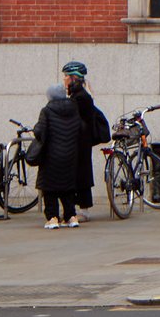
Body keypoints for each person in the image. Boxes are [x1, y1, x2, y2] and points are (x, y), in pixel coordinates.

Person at [31, 60, 109, 229]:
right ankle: (72, 213)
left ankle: (82, 211)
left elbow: (79, 121)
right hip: (75, 141)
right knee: (75, 176)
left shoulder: (80, 97)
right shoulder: (78, 95)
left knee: (80, 176)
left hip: (80, 141)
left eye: (66, 76)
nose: (64, 79)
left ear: (74, 78)